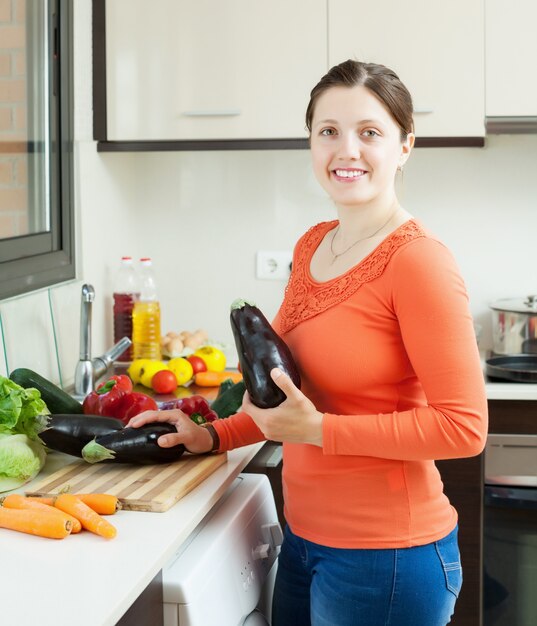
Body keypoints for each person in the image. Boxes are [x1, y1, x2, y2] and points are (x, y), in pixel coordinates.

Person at [129, 59, 488, 626]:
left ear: (405, 146)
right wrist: (210, 435)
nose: (347, 150)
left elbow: (463, 428)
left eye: (369, 132)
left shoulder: (419, 262)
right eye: (328, 132)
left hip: (388, 559)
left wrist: (321, 431)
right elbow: (284, 397)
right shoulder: (313, 244)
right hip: (303, 543)